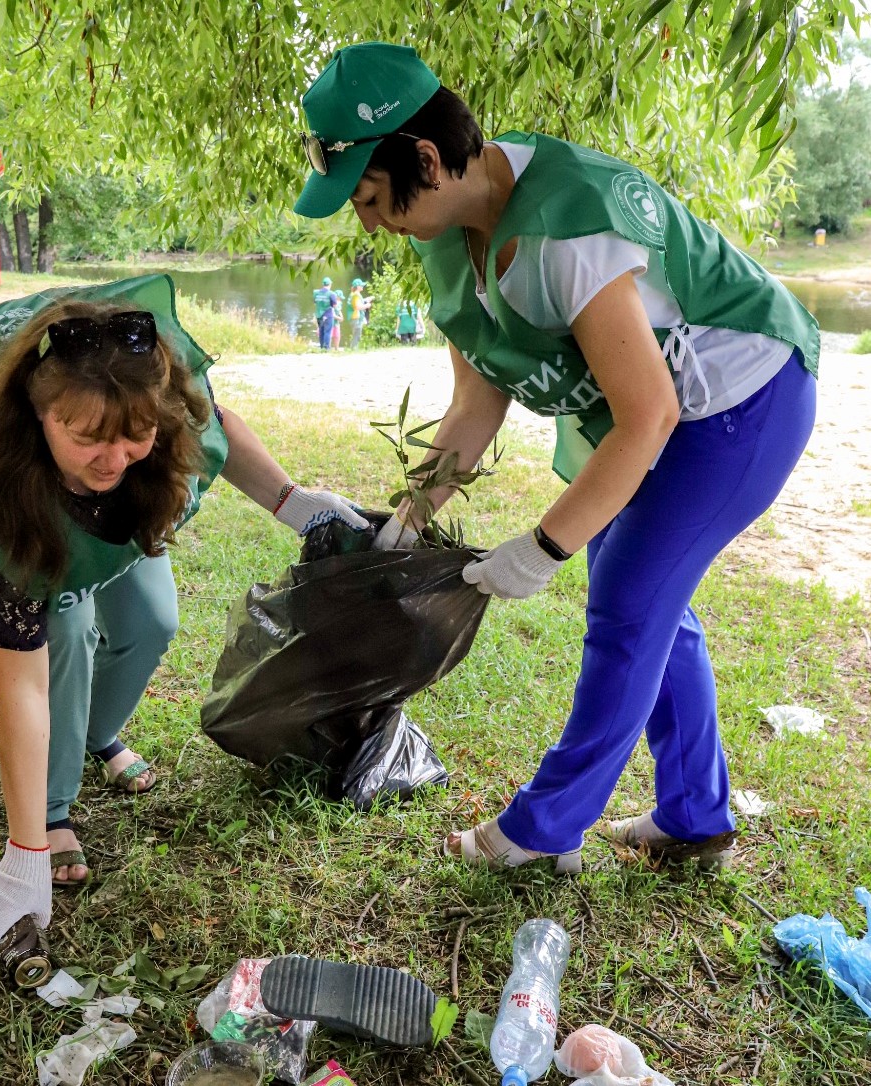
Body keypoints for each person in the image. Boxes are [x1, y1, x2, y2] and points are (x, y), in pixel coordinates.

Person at [294, 43, 818, 873]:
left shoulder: (569, 226)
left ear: (425, 159)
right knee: (652, 604)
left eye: (366, 196)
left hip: (741, 398)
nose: (366, 222)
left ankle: (541, 835)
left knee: (627, 602)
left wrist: (541, 549)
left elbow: (649, 416)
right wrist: (411, 513)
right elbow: (476, 403)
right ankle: (695, 816)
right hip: (649, 410)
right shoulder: (448, 228)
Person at [0, 282, 368, 961]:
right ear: (39, 416)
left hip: (92, 482)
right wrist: (23, 859)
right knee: (62, 636)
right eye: (88, 439)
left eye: (137, 437)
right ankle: (50, 809)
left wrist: (294, 502)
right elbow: (20, 687)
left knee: (154, 620)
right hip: (20, 508)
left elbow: (211, 421)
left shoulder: (147, 397)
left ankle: (98, 734)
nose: (114, 459)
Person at [313, 276, 336, 350]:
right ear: (330, 284)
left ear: (323, 284)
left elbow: (315, 302)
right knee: (327, 332)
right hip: (328, 314)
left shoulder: (316, 293)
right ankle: (326, 348)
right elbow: (334, 305)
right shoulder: (331, 293)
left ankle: (322, 347)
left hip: (319, 315)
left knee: (321, 331)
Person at [347, 278, 372, 348]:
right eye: (361, 285)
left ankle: (353, 349)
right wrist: (367, 305)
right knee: (357, 335)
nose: (362, 286)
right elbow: (357, 307)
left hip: (353, 317)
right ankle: (353, 349)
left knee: (356, 334)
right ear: (358, 287)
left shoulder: (353, 294)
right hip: (356, 318)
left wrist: (366, 299)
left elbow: (356, 303)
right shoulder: (356, 295)